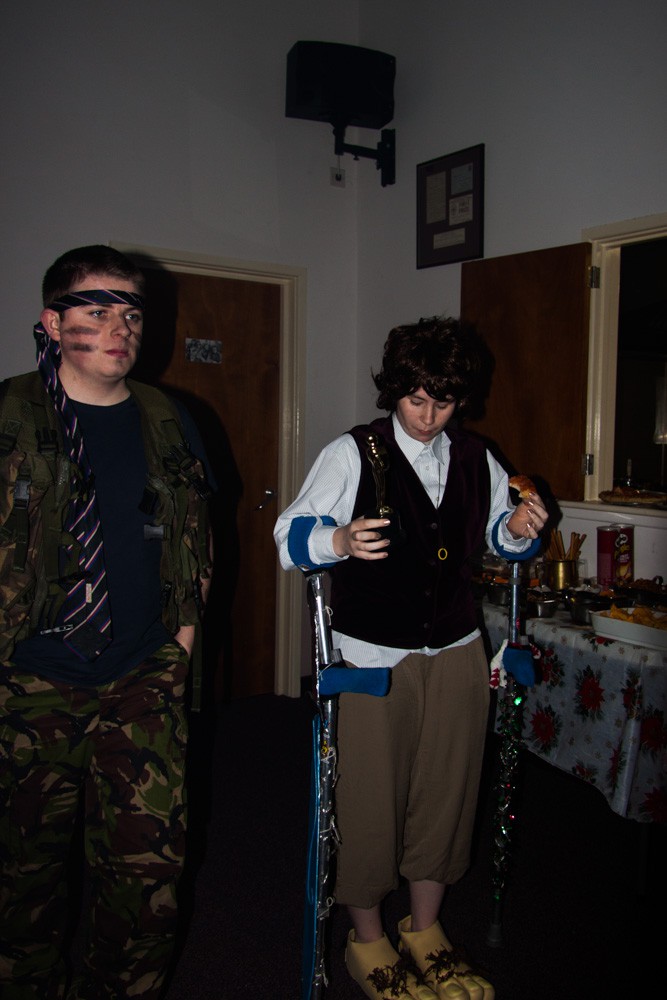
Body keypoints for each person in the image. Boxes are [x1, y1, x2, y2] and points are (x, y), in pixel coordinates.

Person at [274, 316, 548, 1000]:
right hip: (372, 656)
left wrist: (518, 529)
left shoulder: (476, 456)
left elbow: (498, 536)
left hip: (456, 651)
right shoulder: (353, 452)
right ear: (394, 389)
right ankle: (367, 940)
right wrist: (337, 540)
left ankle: (424, 930)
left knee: (447, 796)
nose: (427, 417)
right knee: (368, 802)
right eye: (416, 399)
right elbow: (288, 535)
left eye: (443, 402)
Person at [0, 245, 214, 1000]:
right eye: (97, 309)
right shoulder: (7, 415)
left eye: (132, 312)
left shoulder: (168, 418)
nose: (121, 327)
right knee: (20, 879)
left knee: (147, 877)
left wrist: (179, 649)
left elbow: (195, 538)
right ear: (52, 322)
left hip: (141, 676)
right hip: (26, 683)